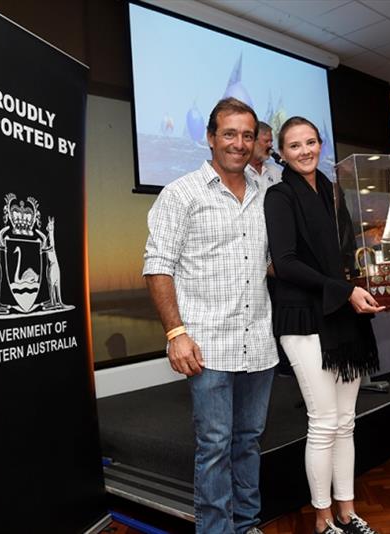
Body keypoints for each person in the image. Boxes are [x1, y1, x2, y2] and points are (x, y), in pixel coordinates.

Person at [143, 97, 277, 534]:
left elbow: (271, 263)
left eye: (247, 135)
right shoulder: (181, 193)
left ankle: (247, 525)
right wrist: (175, 333)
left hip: (258, 342)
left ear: (256, 141)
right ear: (211, 137)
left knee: (248, 442)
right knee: (215, 446)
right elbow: (157, 265)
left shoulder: (265, 195)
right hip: (207, 345)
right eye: (229, 134)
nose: (239, 143)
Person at [264, 116, 382, 534]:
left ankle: (347, 511)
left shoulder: (334, 193)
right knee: (324, 420)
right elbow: (285, 262)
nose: (305, 151)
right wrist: (344, 290)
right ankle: (322, 517)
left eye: (311, 142)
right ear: (282, 151)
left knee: (346, 421)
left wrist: (368, 281)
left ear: (320, 144)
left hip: (343, 316)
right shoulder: (279, 195)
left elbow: (350, 254)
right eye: (294, 145)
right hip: (302, 319)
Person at [246, 121, 283, 185]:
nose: (270, 145)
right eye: (266, 141)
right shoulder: (238, 171)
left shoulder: (275, 172)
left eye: (271, 141)